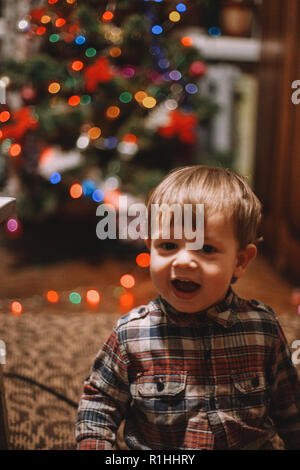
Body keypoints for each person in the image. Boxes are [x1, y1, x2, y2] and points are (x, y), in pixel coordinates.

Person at [75, 165, 300, 450]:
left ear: (241, 261)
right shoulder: (130, 335)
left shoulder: (263, 329)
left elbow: (291, 409)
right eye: (168, 245)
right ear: (150, 247)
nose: (183, 261)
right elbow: (98, 406)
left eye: (205, 249)